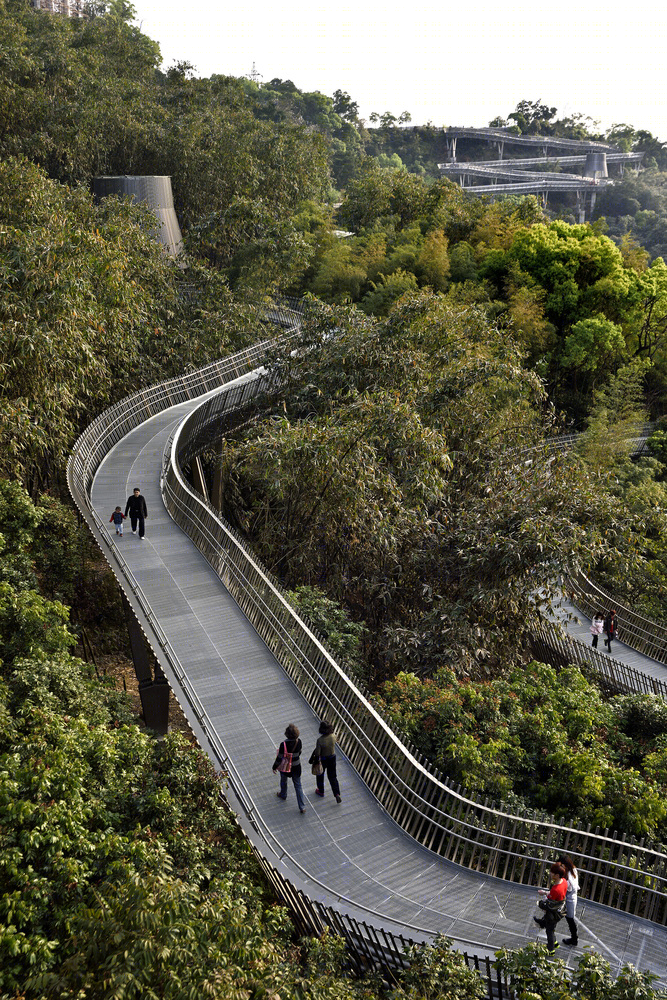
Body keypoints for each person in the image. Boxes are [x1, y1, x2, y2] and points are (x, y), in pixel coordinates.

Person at [533, 862, 568, 954]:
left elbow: (549, 904)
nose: (550, 873)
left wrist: (542, 900)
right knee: (551, 927)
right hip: (561, 908)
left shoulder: (556, 889)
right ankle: (555, 943)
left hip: (554, 913)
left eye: (552, 872)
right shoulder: (564, 881)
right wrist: (545, 892)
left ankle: (551, 950)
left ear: (556, 875)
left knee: (549, 930)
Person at [273, 723, 306, 813]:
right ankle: (302, 807)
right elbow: (299, 752)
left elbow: (279, 757)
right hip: (296, 767)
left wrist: (274, 767)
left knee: (283, 780)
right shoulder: (299, 741)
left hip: (286, 767)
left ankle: (283, 794)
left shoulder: (283, 744)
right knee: (298, 786)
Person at [311, 720, 342, 803]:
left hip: (323, 759)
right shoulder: (333, 736)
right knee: (333, 776)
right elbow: (337, 741)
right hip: (332, 757)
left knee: (320, 774)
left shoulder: (320, 740)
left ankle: (321, 791)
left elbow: (317, 753)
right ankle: (336, 794)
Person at [558, 854, 580, 946]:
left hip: (570, 899)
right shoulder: (571, 870)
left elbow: (571, 887)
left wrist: (563, 881)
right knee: (563, 916)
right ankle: (574, 938)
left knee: (570, 919)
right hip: (567, 898)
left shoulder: (571, 873)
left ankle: (574, 939)